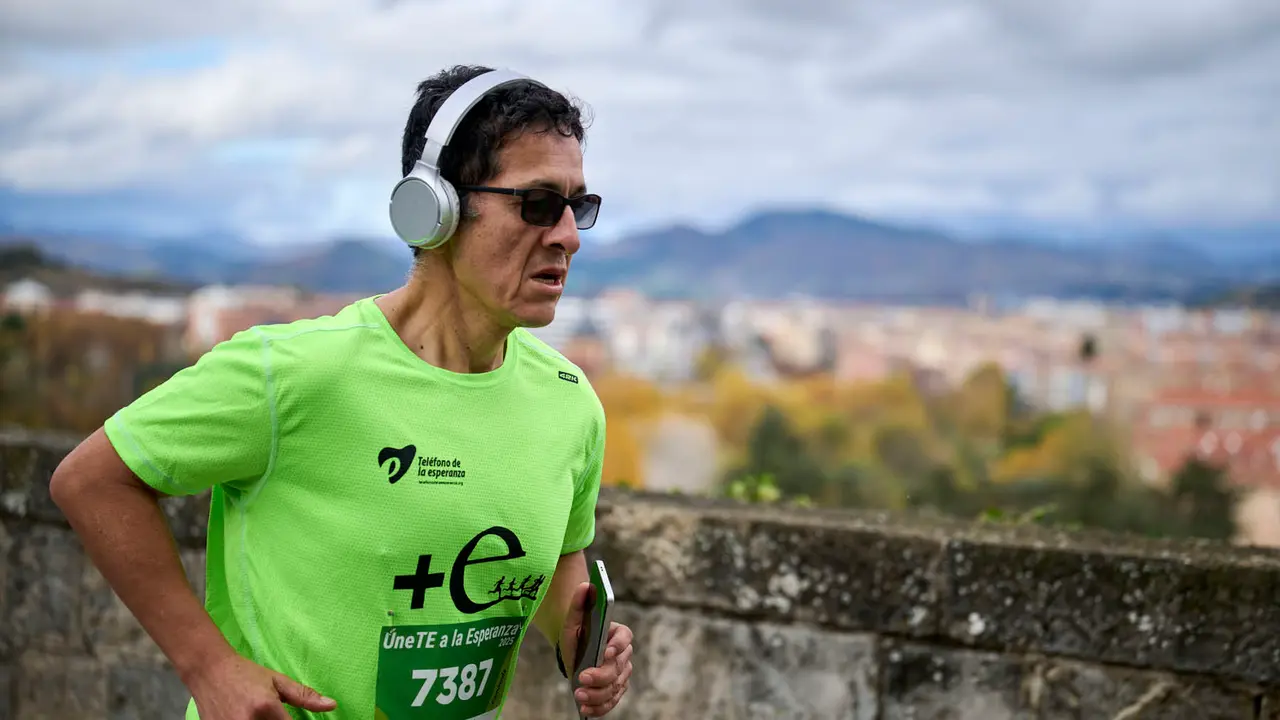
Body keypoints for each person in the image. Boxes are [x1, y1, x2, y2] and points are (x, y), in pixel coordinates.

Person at [50, 64, 633, 719]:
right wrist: (209, 666)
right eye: (537, 204)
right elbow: (91, 481)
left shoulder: (569, 402)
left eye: (577, 205)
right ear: (433, 208)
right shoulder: (294, 374)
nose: (569, 236)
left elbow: (557, 562)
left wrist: (581, 636)